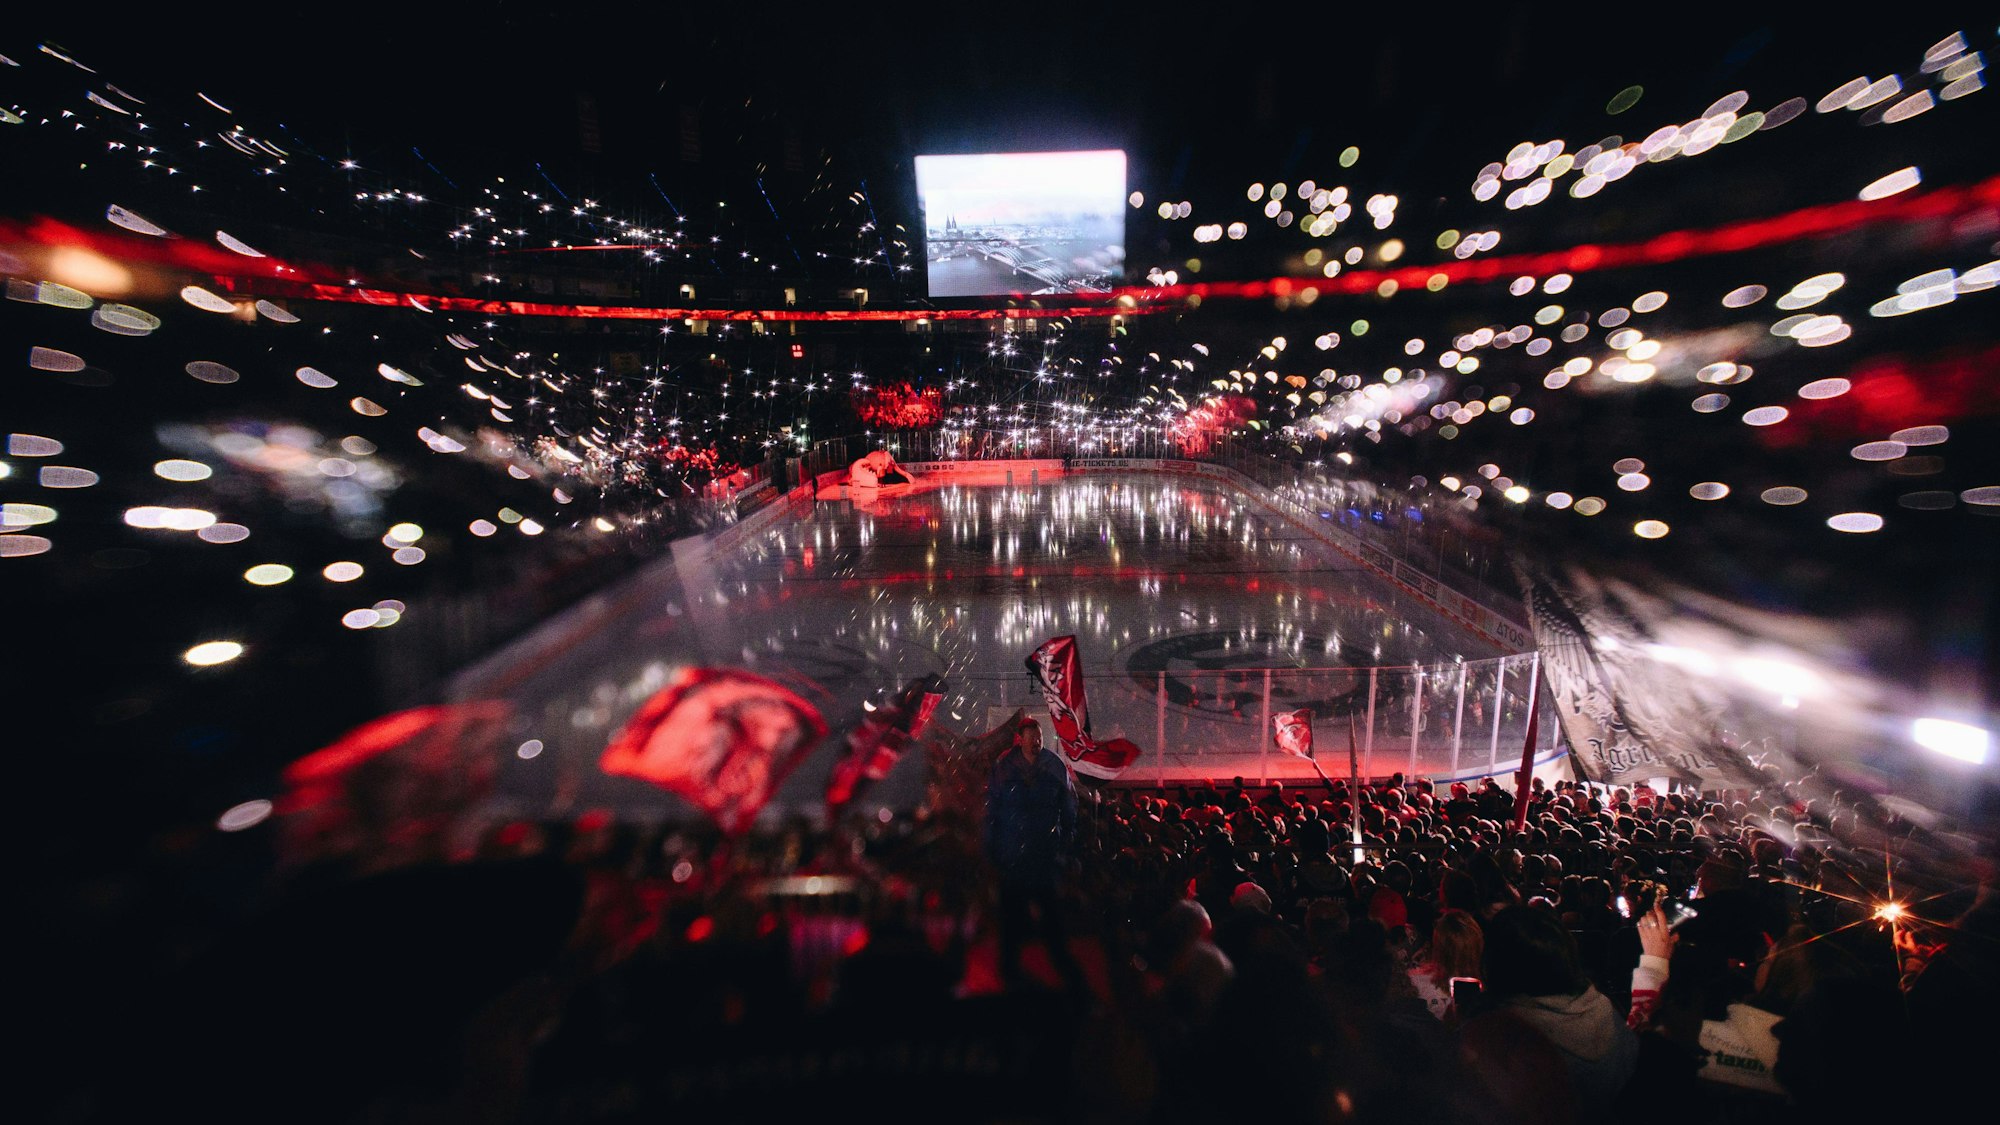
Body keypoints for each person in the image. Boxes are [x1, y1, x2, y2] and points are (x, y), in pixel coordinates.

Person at [982, 716, 1085, 998]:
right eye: (1032, 737)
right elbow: (992, 810)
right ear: (1021, 739)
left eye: (1039, 737)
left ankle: (1070, 983)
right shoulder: (1004, 769)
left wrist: (1065, 844)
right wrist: (991, 850)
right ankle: (1010, 980)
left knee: (1052, 923)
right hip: (1012, 858)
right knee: (1011, 924)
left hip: (1044, 858)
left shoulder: (1054, 767)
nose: (1037, 742)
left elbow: (1068, 808)